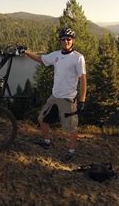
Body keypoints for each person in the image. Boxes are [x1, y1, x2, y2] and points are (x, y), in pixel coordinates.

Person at [24, 28, 86, 163]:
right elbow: (41, 59)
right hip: (54, 96)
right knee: (42, 119)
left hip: (68, 98)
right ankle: (46, 142)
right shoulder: (56, 55)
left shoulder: (78, 58)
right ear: (60, 41)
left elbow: (83, 80)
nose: (66, 41)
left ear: (73, 41)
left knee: (71, 127)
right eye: (63, 39)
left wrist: (82, 100)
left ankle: (72, 151)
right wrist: (26, 52)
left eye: (69, 39)